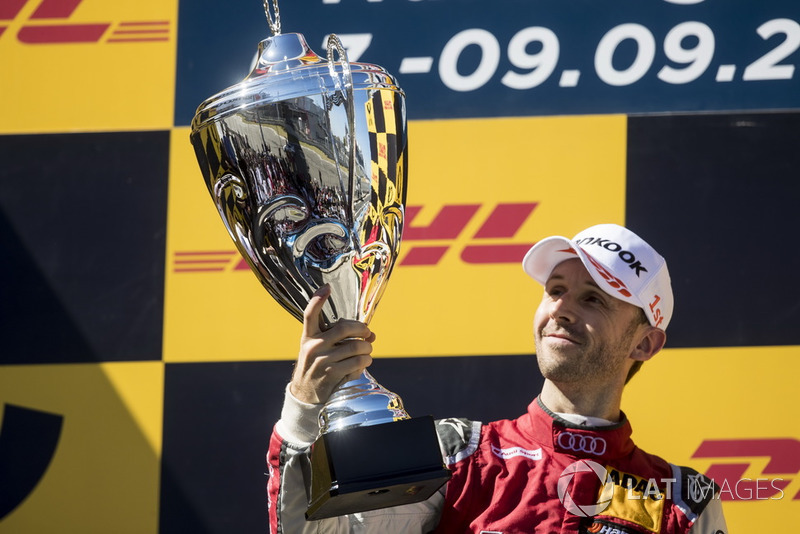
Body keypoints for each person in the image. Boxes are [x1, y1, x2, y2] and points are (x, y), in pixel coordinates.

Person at [267, 223, 728, 533]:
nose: (562, 308)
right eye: (556, 291)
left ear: (644, 344)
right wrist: (304, 411)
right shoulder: (451, 452)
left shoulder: (685, 501)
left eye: (593, 300)